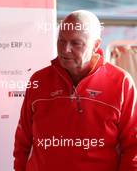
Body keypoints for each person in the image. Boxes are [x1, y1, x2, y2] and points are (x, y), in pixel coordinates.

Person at [13, 10, 137, 171]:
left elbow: (133, 147)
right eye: (61, 41)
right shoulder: (39, 80)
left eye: (76, 43)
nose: (65, 50)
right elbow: (23, 141)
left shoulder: (120, 82)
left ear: (96, 45)